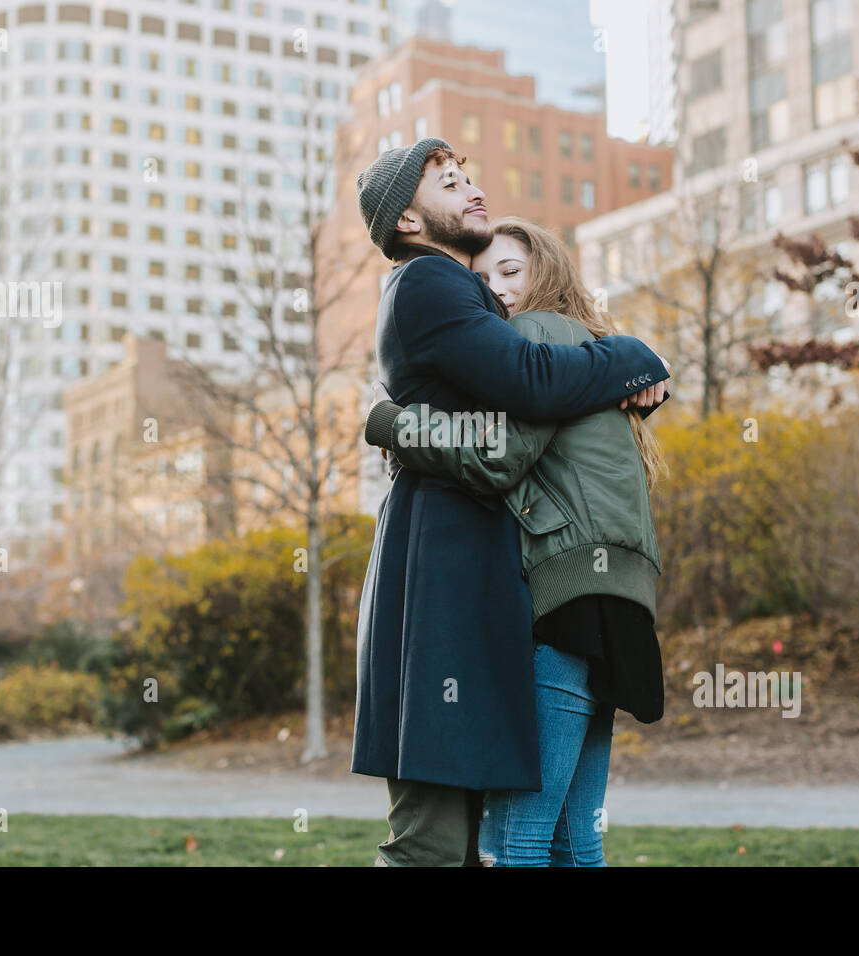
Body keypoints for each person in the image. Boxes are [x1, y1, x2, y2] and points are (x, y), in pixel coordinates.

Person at [351, 138, 671, 866]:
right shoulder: (429, 281)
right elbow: (530, 386)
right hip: (439, 585)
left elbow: (529, 407)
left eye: (470, 174)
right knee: (435, 846)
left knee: (486, 841)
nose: (473, 189)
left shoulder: (461, 293)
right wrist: (631, 355)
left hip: (474, 585)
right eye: (451, 182)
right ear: (407, 220)